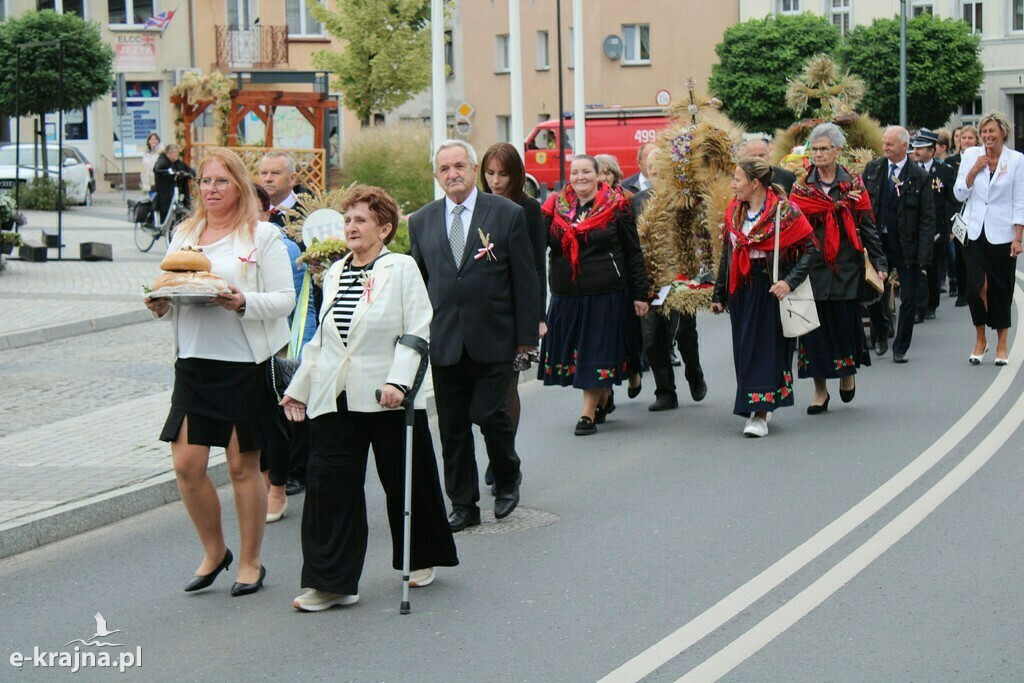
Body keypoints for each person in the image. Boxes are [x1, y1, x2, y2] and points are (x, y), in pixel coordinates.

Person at [280, 185, 458, 611]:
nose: (352, 227)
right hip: (336, 395)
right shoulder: (337, 270)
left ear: (384, 228)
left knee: (404, 478)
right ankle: (332, 582)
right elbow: (323, 340)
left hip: (386, 395)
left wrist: (400, 382)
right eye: (348, 220)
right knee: (328, 485)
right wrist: (299, 389)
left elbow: (417, 328)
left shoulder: (401, 268)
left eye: (361, 220)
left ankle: (420, 557)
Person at [143, 148, 296, 597]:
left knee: (240, 467)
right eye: (205, 182)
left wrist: (242, 301)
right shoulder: (185, 232)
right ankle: (215, 550)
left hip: (244, 365)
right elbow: (170, 284)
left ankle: (250, 562)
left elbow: (285, 298)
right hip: (194, 363)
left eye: (221, 182)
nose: (211, 190)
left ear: (239, 186)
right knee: (187, 465)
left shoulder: (261, 236)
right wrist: (159, 303)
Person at [408, 140, 539, 532]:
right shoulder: (422, 221)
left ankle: (506, 477)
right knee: (451, 427)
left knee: (490, 413)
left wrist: (526, 335)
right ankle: (463, 504)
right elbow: (419, 282)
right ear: (437, 175)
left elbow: (525, 279)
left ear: (474, 168)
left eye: (460, 166)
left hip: (494, 335)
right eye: (444, 168)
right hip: (445, 338)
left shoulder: (506, 214)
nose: (453, 174)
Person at [539, 154, 649, 435]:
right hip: (567, 295)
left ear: (599, 175)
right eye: (575, 173)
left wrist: (640, 294)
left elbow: (633, 252)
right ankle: (602, 397)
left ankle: (586, 414)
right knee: (582, 354)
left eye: (586, 172)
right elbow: (540, 243)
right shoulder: (555, 208)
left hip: (606, 293)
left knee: (594, 352)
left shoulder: (617, 207)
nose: (580, 178)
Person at [711, 158, 819, 437]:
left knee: (766, 350)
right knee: (744, 350)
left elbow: (811, 249)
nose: (733, 184)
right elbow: (729, 254)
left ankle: (758, 413)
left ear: (755, 183)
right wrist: (719, 293)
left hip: (769, 286)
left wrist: (788, 281)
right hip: (741, 289)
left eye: (737, 179)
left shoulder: (786, 212)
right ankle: (760, 402)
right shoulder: (734, 213)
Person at [789, 123, 886, 413]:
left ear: (837, 151)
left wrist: (880, 263)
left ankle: (847, 373)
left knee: (844, 323)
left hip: (845, 265)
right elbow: (792, 229)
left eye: (823, 149)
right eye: (814, 149)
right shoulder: (802, 187)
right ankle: (820, 391)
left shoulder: (853, 185)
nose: (818, 155)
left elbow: (868, 224)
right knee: (813, 330)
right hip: (812, 267)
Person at [479, 142, 547, 495]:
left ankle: (501, 456)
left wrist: (538, 315)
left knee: (507, 387)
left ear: (516, 174)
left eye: (503, 174)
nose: (495, 181)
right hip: (482, 313)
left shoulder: (529, 208)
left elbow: (537, 266)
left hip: (517, 309)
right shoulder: (477, 206)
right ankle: (498, 448)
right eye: (490, 173)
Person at [632, 147, 706, 411]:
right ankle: (665, 391)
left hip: (680, 277)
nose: (656, 175)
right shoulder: (637, 201)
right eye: (652, 171)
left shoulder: (684, 201)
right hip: (651, 280)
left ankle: (694, 372)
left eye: (661, 170)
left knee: (685, 332)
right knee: (652, 338)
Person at [259, 151, 312, 498]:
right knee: (271, 393)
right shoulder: (254, 213)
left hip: (301, 313)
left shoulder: (308, 214)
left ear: (292, 179)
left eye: (275, 173)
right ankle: (273, 465)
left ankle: (297, 468)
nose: (267, 179)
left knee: (297, 386)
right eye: (263, 173)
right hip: (265, 316)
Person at [953, 111, 1024, 366]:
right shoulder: (971, 155)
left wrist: (1018, 237)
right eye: (984, 132)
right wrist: (973, 170)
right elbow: (959, 193)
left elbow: (1019, 200)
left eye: (991, 131)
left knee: (1000, 290)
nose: (987, 136)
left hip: (1002, 234)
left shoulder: (1016, 160)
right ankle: (980, 339)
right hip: (973, 233)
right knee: (975, 288)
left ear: (1003, 132)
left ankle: (1002, 345)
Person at [863, 126, 936, 363]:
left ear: (905, 147)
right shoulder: (873, 169)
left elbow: (927, 218)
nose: (885, 148)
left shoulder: (919, 176)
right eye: (884, 143)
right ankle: (882, 330)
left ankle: (901, 346)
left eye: (890, 144)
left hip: (908, 244)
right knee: (872, 289)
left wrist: (924, 256)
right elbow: (862, 205)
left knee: (910, 298)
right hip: (877, 242)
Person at [912, 128, 957, 321]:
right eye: (915, 148)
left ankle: (931, 304)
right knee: (916, 268)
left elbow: (953, 201)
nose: (917, 152)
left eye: (921, 149)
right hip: (914, 228)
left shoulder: (944, 171)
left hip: (937, 228)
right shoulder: (910, 171)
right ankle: (918, 306)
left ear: (931, 151)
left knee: (933, 268)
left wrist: (953, 227)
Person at [947, 125, 980, 306]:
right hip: (957, 214)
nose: (966, 141)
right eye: (963, 138)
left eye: (970, 138)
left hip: (973, 213)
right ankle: (962, 291)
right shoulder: (951, 162)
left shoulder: (982, 159)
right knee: (960, 255)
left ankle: (974, 289)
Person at [141, 133, 162, 198]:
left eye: (156, 139)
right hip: (148, 184)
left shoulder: (161, 153)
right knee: (152, 202)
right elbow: (143, 168)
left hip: (158, 183)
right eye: (152, 139)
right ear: (149, 141)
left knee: (155, 201)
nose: (154, 141)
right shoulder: (146, 154)